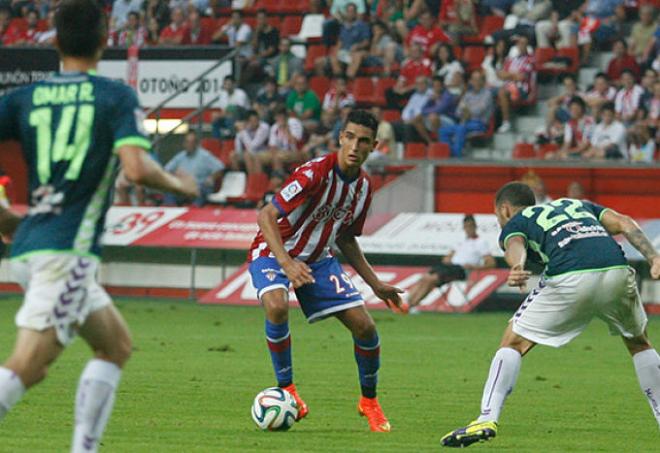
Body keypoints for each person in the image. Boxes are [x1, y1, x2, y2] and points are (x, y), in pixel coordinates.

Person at [0, 1, 198, 451]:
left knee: (115, 346)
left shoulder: (23, 98)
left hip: (34, 244)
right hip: (65, 251)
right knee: (29, 365)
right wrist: (181, 185)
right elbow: (137, 169)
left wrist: (4, 217)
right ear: (106, 40)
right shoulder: (114, 96)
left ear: (53, 40)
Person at [441, 182, 660, 447]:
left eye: (498, 217)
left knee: (513, 342)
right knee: (639, 343)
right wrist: (653, 257)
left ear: (505, 210)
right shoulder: (578, 205)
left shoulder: (518, 220)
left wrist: (517, 265)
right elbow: (624, 223)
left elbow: (515, 245)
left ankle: (486, 417)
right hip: (616, 269)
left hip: (571, 276)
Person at [248, 109, 404, 433]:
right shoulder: (314, 173)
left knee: (365, 328)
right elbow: (266, 215)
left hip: (319, 259)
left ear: (373, 146)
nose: (354, 146)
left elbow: (346, 237)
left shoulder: (362, 187)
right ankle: (289, 392)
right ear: (340, 137)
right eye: (349, 137)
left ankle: (369, 402)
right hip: (274, 250)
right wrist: (287, 264)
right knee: (276, 306)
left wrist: (375, 284)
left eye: (363, 141)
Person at [406, 215, 495, 310]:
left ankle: (412, 305)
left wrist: (473, 267)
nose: (469, 229)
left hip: (461, 270)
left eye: (471, 226)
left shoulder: (481, 243)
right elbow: (449, 255)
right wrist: (447, 259)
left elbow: (491, 263)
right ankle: (407, 302)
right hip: (449, 267)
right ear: (464, 227)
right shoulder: (460, 241)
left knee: (431, 279)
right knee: (424, 278)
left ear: (475, 227)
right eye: (466, 226)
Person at [438, 70, 493, 157]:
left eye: (478, 80)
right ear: (471, 81)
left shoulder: (487, 94)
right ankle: (449, 154)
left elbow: (479, 111)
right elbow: (458, 112)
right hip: (465, 123)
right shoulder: (468, 95)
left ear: (483, 81)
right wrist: (466, 112)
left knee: (460, 128)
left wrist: (467, 111)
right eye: (474, 80)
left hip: (480, 124)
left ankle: (456, 156)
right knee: (443, 131)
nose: (476, 82)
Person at [164, 131, 225, 205]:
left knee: (200, 190)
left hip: (199, 186)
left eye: (192, 142)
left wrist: (211, 178)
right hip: (184, 187)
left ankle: (194, 212)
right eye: (187, 142)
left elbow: (220, 168)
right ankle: (171, 212)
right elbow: (166, 170)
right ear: (184, 144)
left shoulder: (205, 156)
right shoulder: (180, 156)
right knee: (170, 190)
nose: (189, 145)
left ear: (196, 144)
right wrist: (175, 174)